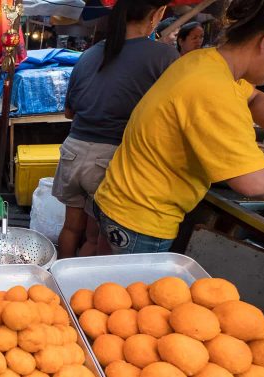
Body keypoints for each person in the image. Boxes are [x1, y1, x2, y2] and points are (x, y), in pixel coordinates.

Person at [94, 0, 264, 255]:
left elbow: (255, 99)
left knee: (101, 282)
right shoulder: (212, 87)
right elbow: (252, 181)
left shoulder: (206, 61)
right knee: (127, 293)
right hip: (143, 217)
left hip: (118, 199)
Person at [53, 0, 177, 259]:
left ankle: (57, 285)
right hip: (111, 157)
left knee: (70, 228)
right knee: (94, 236)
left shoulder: (90, 54)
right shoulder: (164, 56)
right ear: (156, 14)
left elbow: (69, 112)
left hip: (73, 151)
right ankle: (79, 292)